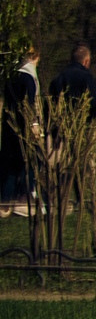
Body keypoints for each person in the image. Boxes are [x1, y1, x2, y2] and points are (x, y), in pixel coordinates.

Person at [1, 47, 37, 206]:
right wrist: (34, 124)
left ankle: (6, 198)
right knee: (27, 160)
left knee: (10, 162)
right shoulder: (29, 77)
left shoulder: (10, 76)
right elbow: (29, 103)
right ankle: (24, 194)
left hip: (9, 123)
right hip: (23, 127)